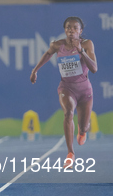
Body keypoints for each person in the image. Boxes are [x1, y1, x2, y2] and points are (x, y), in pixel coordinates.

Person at [31, 16, 97, 168]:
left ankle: (82, 131)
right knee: (68, 112)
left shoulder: (87, 44)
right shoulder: (57, 45)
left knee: (84, 126)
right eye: (68, 27)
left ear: (80, 31)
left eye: (75, 28)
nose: (71, 30)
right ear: (64, 30)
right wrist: (35, 70)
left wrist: (81, 51)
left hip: (85, 90)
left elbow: (94, 68)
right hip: (66, 87)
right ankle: (70, 153)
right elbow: (48, 54)